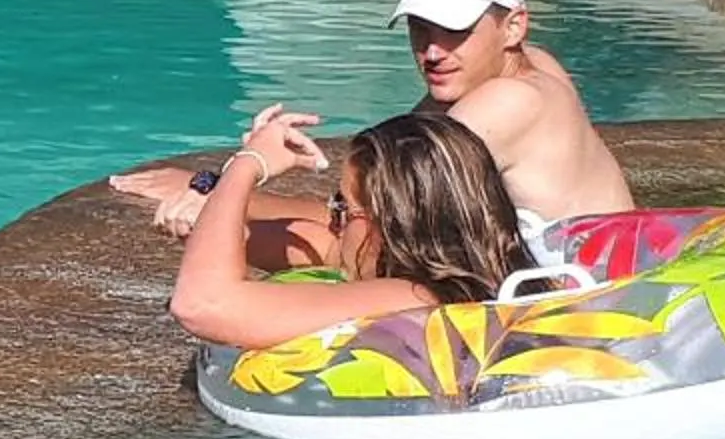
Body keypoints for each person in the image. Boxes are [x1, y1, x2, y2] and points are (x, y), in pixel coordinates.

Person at [113, 0, 632, 256]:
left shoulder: (507, 103)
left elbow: (348, 224)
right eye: (420, 28)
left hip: (589, 316)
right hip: (610, 282)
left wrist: (221, 187)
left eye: (455, 30)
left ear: (514, 25)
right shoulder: (529, 65)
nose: (431, 51)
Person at [168, 103, 534, 352]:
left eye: (342, 206)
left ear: (392, 227)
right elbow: (321, 245)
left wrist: (244, 167)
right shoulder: (485, 277)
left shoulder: (414, 300)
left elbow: (201, 304)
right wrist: (211, 226)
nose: (333, 221)